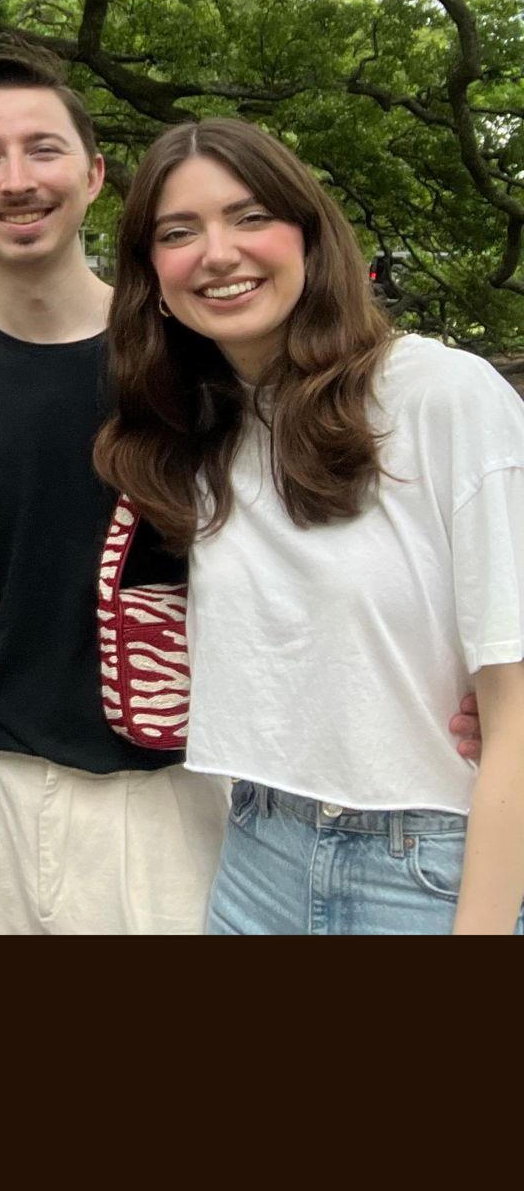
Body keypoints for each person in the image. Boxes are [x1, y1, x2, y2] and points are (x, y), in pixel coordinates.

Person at [96, 118, 524, 934]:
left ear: (309, 233)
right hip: (258, 850)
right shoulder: (200, 430)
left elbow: (518, 723)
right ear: (151, 273)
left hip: (430, 869)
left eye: (250, 216)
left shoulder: (442, 397)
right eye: (178, 232)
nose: (217, 253)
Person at [0, 54, 228, 935]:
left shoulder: (201, 362)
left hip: (173, 796)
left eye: (44, 149)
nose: (18, 180)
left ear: (96, 176)